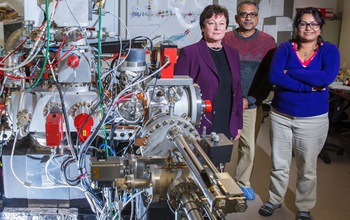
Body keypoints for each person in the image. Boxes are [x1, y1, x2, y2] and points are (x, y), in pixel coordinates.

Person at [258, 7, 340, 220]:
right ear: (297, 26)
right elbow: (275, 76)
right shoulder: (285, 48)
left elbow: (325, 78)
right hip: (281, 116)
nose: (308, 28)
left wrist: (292, 72)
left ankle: (303, 206)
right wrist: (306, 85)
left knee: (307, 166)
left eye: (313, 24)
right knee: (279, 163)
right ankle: (274, 200)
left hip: (313, 119)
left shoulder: (329, 51)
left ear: (320, 27)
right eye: (303, 23)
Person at [222, 1, 276, 200]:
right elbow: (221, 72)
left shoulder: (268, 41)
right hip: (226, 103)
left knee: (248, 148)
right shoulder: (226, 38)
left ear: (257, 18)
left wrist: (251, 99)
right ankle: (218, 181)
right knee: (221, 144)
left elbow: (268, 76)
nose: (248, 18)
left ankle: (243, 183)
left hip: (251, 104)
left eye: (252, 14)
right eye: (244, 14)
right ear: (236, 18)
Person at [174, 5, 243, 143]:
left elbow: (237, 91)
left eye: (221, 24)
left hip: (226, 121)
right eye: (212, 23)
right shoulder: (190, 53)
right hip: (199, 125)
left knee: (220, 163)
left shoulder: (233, 53)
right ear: (202, 27)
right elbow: (178, 94)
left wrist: (238, 124)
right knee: (199, 163)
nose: (217, 28)